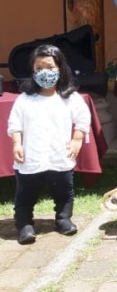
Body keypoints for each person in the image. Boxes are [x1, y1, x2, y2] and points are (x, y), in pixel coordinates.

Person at [8, 45, 90, 245]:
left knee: (64, 189)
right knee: (25, 192)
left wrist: (77, 139)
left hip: (59, 154)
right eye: (39, 68)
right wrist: (17, 144)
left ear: (60, 68)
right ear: (33, 71)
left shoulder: (70, 98)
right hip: (31, 156)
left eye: (50, 67)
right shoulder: (25, 99)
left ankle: (63, 218)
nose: (45, 72)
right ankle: (24, 224)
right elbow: (15, 124)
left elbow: (82, 119)